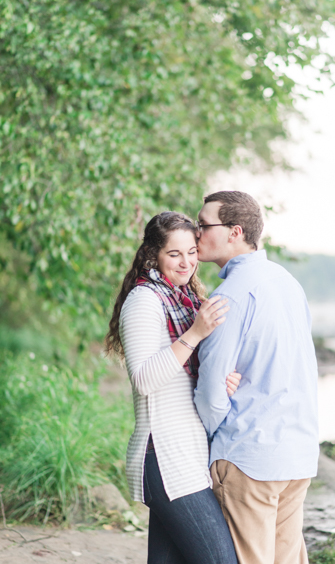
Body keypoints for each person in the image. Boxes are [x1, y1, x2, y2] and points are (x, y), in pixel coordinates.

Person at [105, 211, 241, 564]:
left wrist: (219, 380)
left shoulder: (183, 299)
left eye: (191, 252)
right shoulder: (144, 301)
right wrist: (195, 334)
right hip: (165, 456)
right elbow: (146, 379)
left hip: (186, 454)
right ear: (154, 255)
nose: (187, 262)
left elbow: (183, 376)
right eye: (174, 254)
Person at [193, 191, 319, 564]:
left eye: (203, 224)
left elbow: (211, 385)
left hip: (250, 457)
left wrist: (217, 438)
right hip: (297, 454)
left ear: (234, 231)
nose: (196, 232)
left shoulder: (231, 294)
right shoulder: (286, 282)